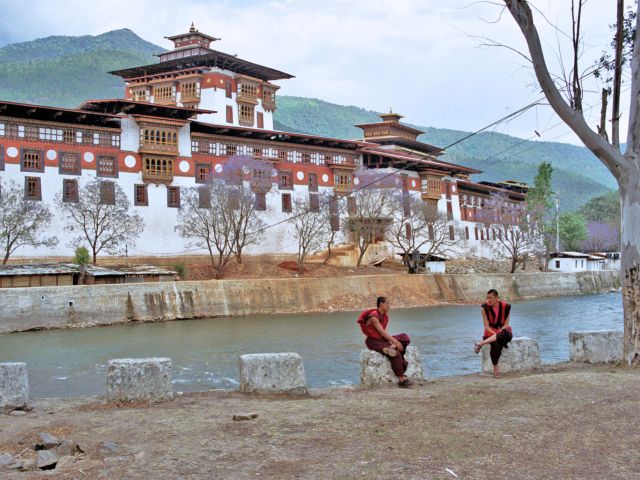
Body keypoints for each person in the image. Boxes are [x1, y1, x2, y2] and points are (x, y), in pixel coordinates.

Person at [357, 296, 413, 388]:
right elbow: (381, 332)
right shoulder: (373, 316)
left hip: (382, 340)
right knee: (396, 354)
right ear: (381, 303)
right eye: (387, 303)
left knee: (404, 337)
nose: (389, 306)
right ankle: (401, 379)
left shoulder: (384, 316)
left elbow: (384, 333)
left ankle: (389, 347)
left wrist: (391, 341)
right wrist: (395, 342)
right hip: (373, 341)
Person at [474, 289, 513, 378]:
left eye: (490, 298)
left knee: (506, 333)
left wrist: (500, 332)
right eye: (487, 298)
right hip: (490, 332)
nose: (488, 300)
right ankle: (496, 370)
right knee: (496, 343)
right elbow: (486, 326)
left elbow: (506, 324)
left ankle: (480, 344)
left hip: (503, 331)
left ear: (496, 298)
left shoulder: (506, 307)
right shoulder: (484, 308)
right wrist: (495, 333)